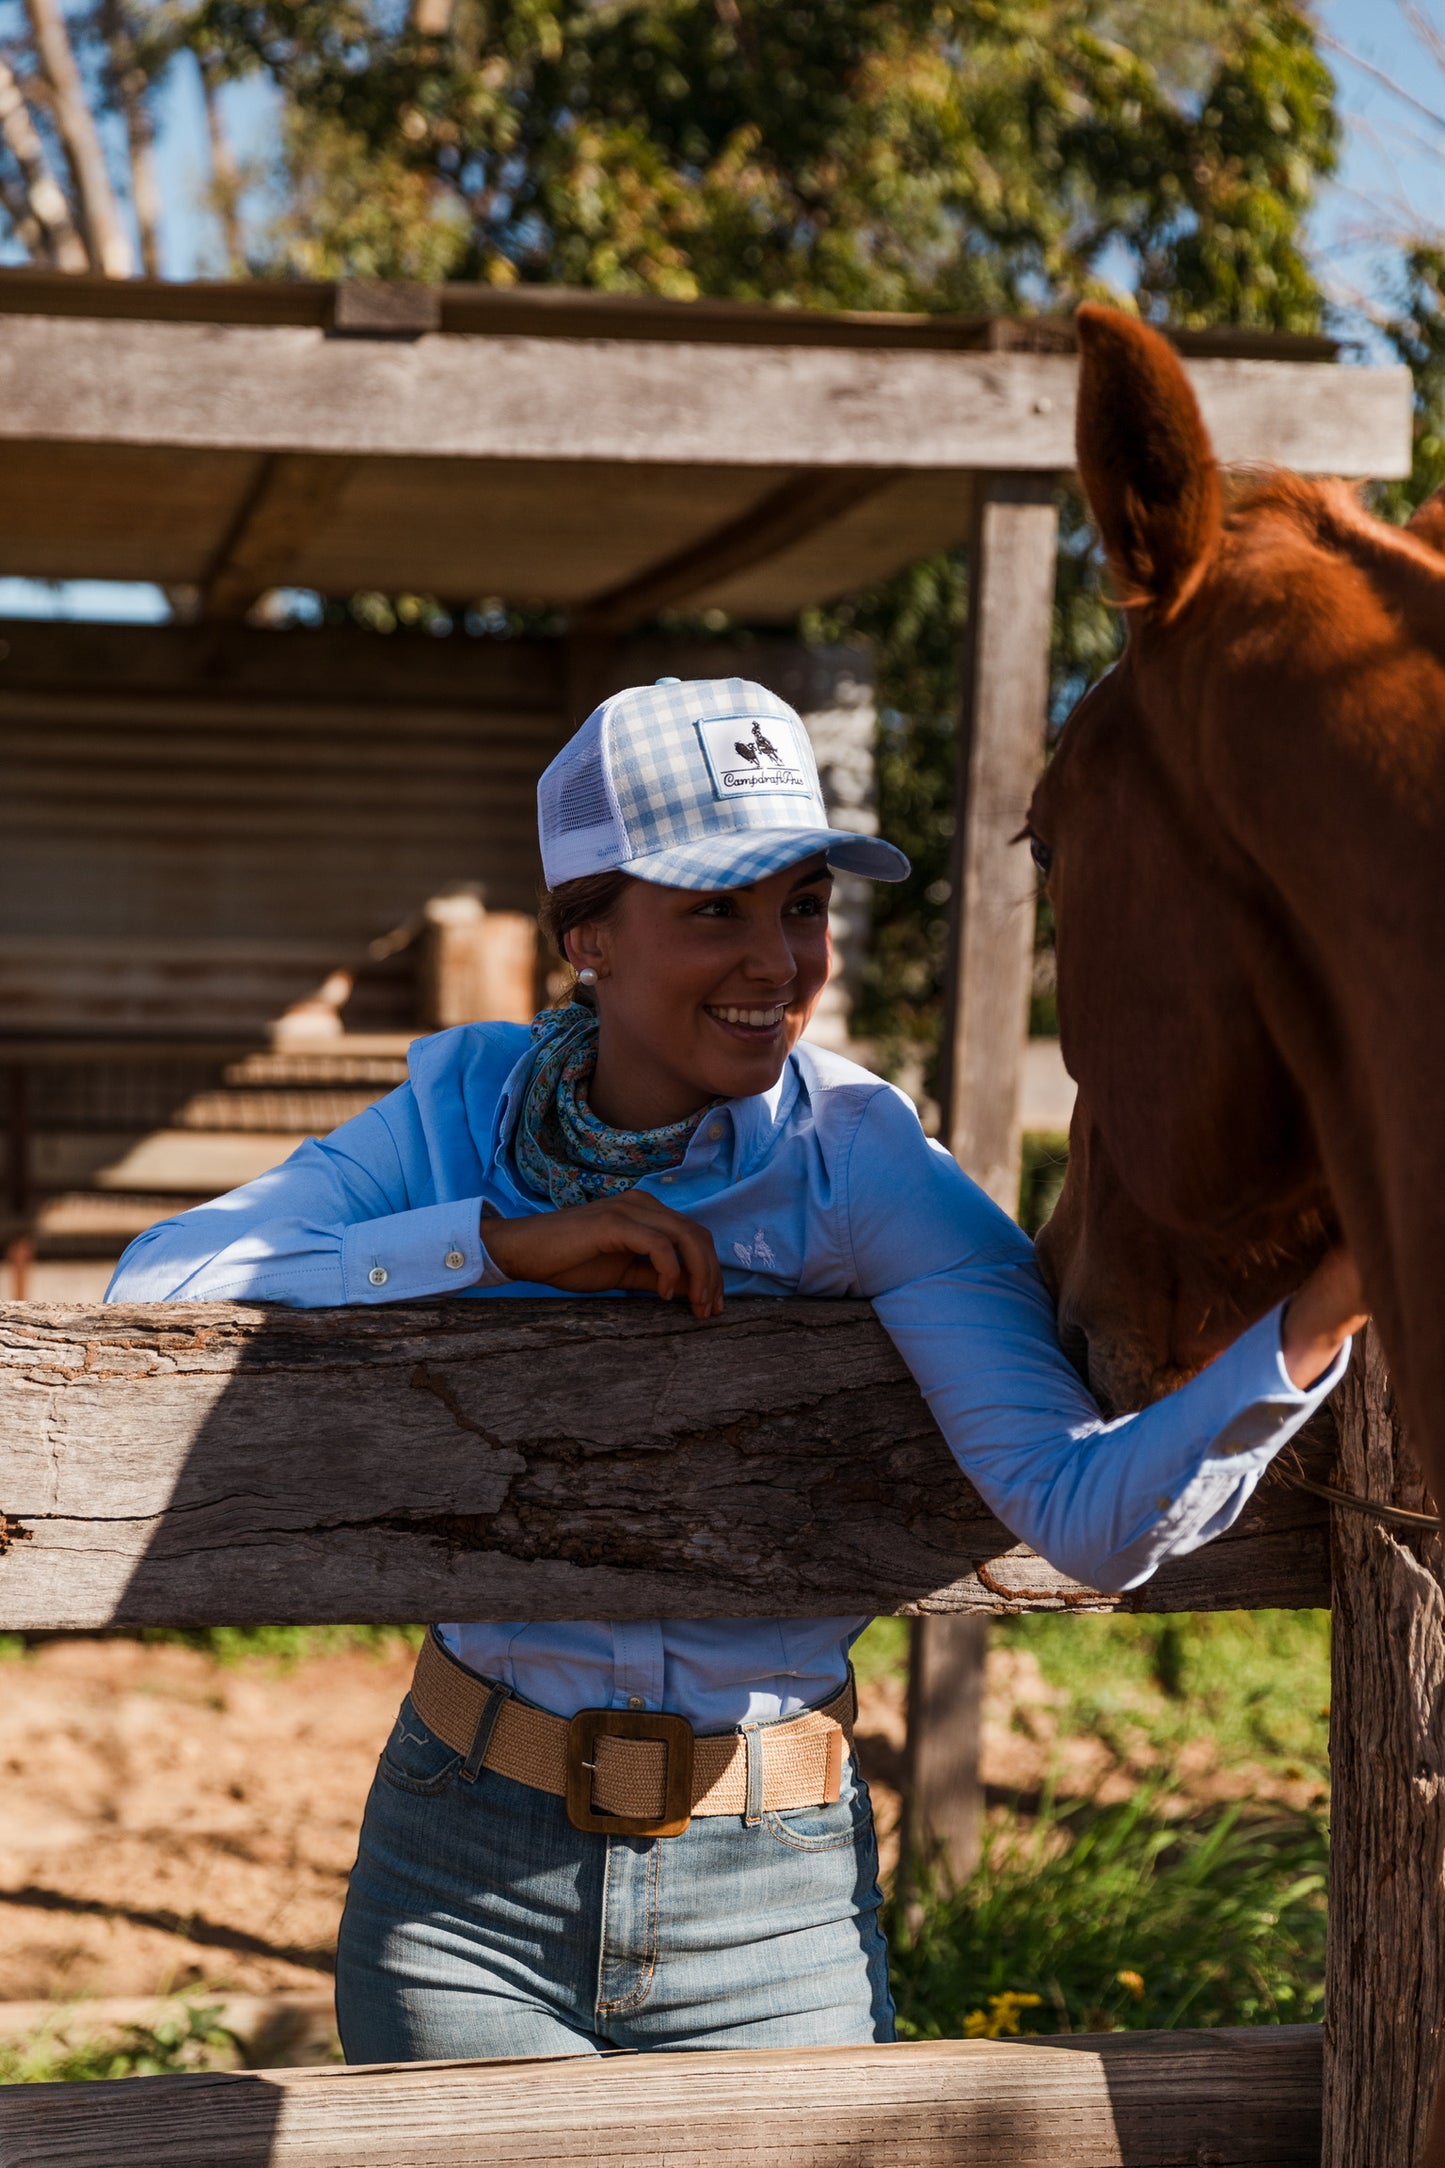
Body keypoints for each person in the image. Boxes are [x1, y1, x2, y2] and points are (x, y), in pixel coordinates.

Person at [107, 674, 1363, 2064]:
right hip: (458, 1874)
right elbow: (157, 1287)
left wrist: (1331, 1304)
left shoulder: (860, 1164)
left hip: (768, 1914)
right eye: (716, 909)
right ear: (586, 933)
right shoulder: (460, 1116)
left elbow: (1083, 1513)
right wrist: (496, 1245)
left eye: (803, 905)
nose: (778, 963)